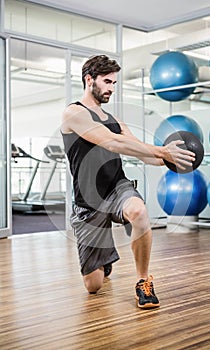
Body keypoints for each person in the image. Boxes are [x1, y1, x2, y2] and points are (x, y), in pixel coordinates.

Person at [61, 55, 195, 309]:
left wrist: (172, 159)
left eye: (114, 83)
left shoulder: (115, 121)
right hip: (88, 201)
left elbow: (141, 152)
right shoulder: (74, 113)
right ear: (89, 80)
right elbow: (111, 142)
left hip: (117, 187)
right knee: (94, 286)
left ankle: (143, 281)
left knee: (138, 211)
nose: (111, 88)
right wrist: (161, 151)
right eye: (107, 81)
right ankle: (104, 260)